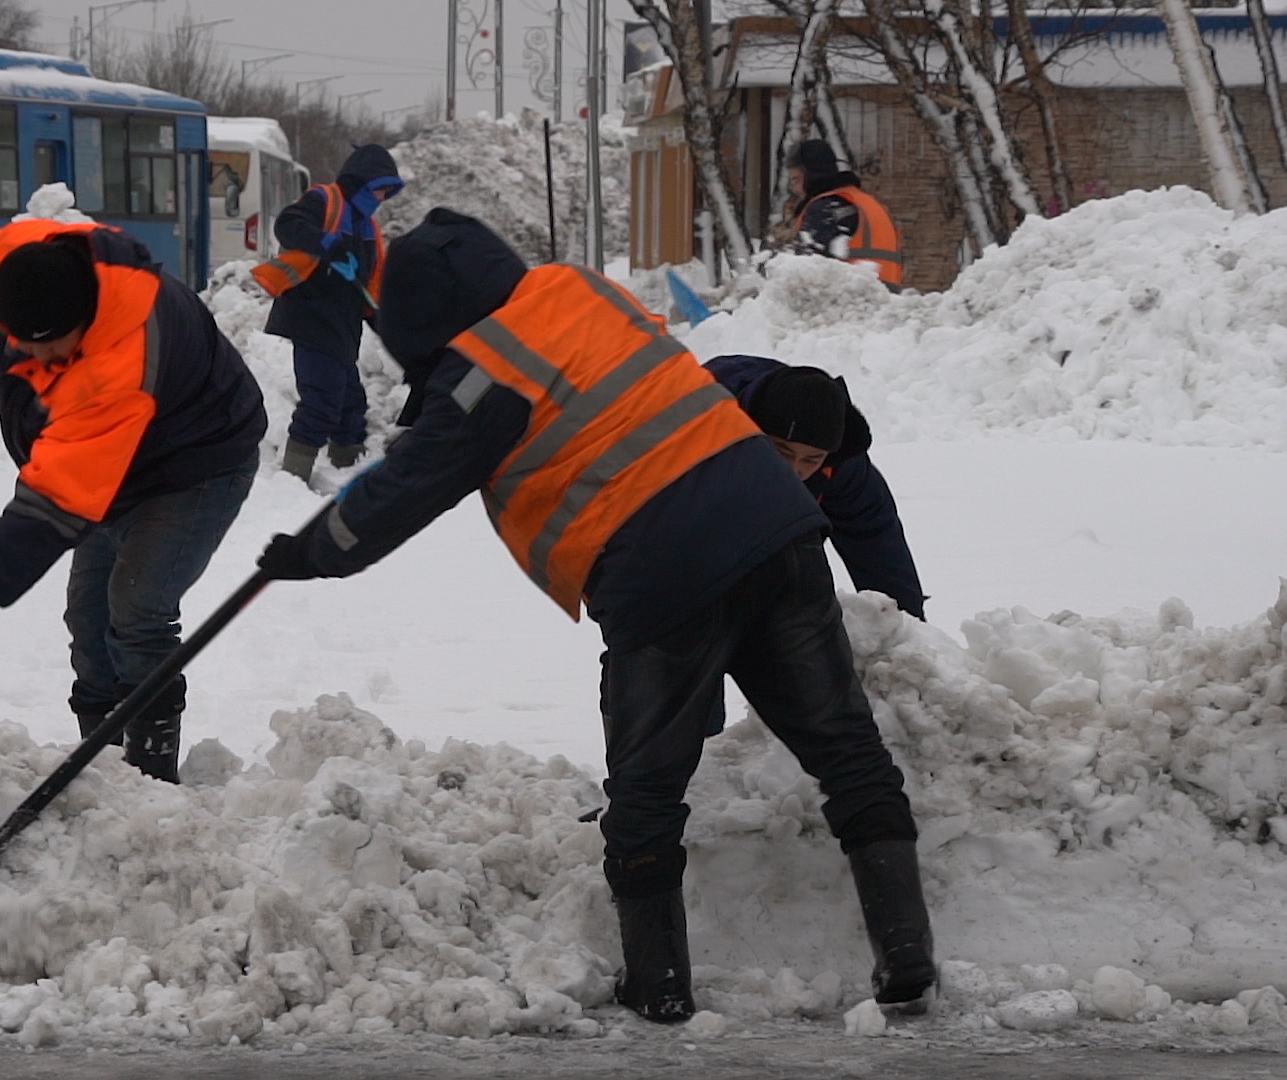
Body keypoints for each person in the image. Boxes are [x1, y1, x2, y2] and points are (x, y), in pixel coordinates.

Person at [254, 209, 935, 1023]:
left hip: (661, 573)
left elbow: (403, 494)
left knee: (646, 792)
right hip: (778, 529)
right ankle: (907, 958)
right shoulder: (579, 291)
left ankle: (660, 987)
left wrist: (309, 549)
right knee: (847, 750)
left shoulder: (480, 375)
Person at [0, 220, 266, 783]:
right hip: (112, 462)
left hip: (198, 462)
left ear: (84, 320)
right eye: (22, 340)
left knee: (136, 609)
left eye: (51, 344)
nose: (34, 355)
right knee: (88, 619)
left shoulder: (121, 361)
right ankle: (104, 767)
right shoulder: (0, 266)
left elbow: (55, 501)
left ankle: (153, 773)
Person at [705, 355, 925, 622]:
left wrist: (905, 629)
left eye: (812, 459)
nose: (795, 469)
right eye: (781, 451)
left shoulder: (844, 464)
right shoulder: (704, 438)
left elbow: (877, 544)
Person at [253, 144, 404, 483]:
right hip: (311, 320)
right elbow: (288, 225)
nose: (382, 197)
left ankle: (348, 471)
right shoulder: (325, 201)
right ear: (363, 181)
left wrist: (394, 333)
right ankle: (292, 480)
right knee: (321, 402)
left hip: (342, 329)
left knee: (350, 407)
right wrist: (326, 244)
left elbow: (369, 291)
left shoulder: (368, 229)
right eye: (380, 188)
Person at [786, 139, 903, 288]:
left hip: (848, 300)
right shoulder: (870, 204)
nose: (794, 188)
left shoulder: (826, 209)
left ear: (812, 176)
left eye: (796, 179)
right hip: (887, 300)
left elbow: (808, 272)